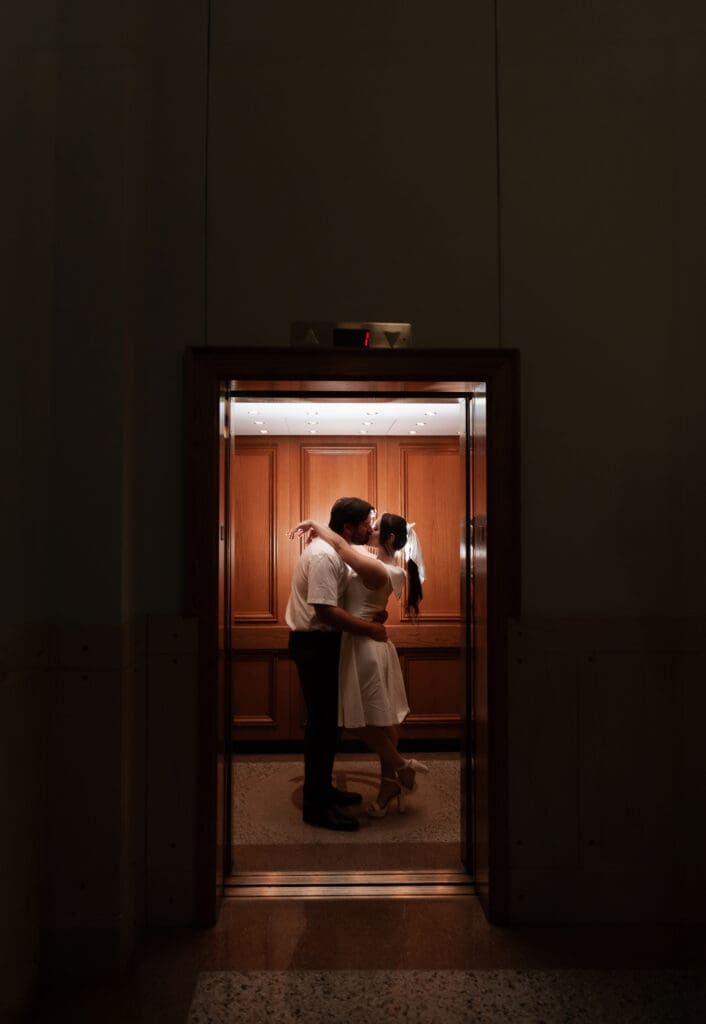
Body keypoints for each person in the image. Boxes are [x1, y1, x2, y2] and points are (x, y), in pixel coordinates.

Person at [289, 512, 429, 818]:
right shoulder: (382, 564)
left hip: (363, 645)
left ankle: (399, 767)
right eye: (368, 523)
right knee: (378, 717)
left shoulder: (377, 568)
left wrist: (316, 524)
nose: (371, 529)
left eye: (375, 527)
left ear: (389, 538)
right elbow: (346, 549)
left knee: (360, 718)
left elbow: (341, 548)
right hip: (358, 643)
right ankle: (393, 779)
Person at [285, 496, 388, 832]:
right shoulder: (323, 556)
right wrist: (371, 629)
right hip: (315, 644)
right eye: (365, 524)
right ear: (347, 527)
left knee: (332, 724)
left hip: (328, 643)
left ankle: (324, 789)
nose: (370, 529)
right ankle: (315, 807)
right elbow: (324, 611)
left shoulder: (335, 548)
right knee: (322, 724)